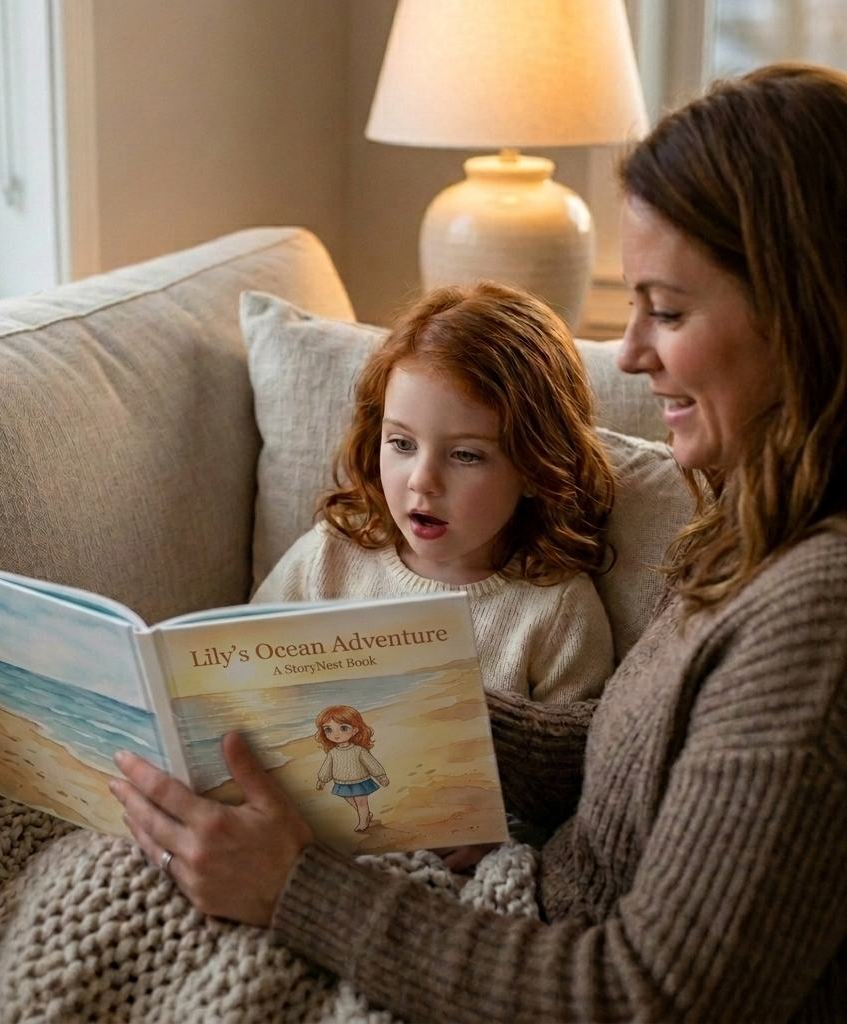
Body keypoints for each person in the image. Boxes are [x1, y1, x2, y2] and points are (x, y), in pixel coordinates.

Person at [110, 63, 847, 1021]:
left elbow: (648, 998)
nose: (629, 352)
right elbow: (649, 761)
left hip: (525, 944)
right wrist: (415, 718)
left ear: (805, 317)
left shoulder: (818, 620)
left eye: (667, 310)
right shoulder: (751, 522)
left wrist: (292, 889)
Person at [253, 280, 616, 704]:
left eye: (465, 455)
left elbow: (573, 744)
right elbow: (241, 673)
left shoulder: (559, 612)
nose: (422, 480)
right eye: (402, 444)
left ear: (536, 469)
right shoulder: (330, 556)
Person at [313, 705, 389, 832]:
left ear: (355, 730)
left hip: (360, 780)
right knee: (349, 798)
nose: (336, 734)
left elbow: (371, 763)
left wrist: (381, 776)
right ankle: (366, 815)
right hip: (342, 782)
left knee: (361, 802)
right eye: (328, 729)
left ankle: (363, 821)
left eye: (343, 728)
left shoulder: (359, 750)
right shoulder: (333, 752)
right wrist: (322, 780)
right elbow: (327, 767)